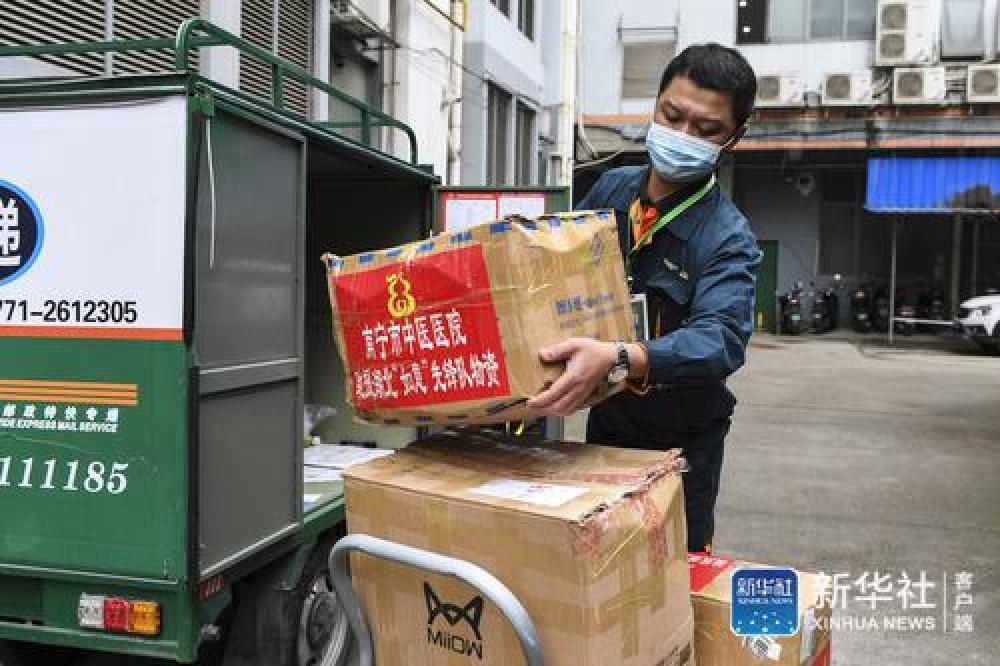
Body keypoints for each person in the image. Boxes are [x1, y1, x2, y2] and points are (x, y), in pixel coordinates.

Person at [527, 43, 761, 554]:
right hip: (608, 422)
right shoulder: (611, 190)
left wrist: (618, 356)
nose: (683, 136)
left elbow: (720, 339)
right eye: (672, 116)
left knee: (671, 569)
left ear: (734, 137)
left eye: (706, 129)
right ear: (654, 105)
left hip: (682, 445)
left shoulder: (727, 237)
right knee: (598, 558)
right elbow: (558, 270)